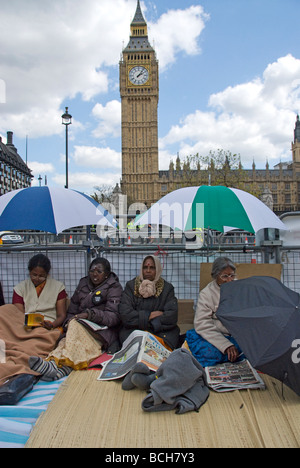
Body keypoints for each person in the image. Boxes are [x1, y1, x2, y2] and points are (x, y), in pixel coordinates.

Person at [29, 258, 123, 380]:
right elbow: (72, 310)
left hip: (102, 331)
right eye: (92, 270)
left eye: (99, 271)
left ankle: (52, 362)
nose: (95, 274)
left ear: (106, 274)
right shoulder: (83, 283)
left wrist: (90, 315)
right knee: (69, 338)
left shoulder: (114, 287)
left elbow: (113, 317)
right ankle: (61, 370)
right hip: (79, 326)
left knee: (72, 331)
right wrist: (68, 322)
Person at [0, 254, 67, 386]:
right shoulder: (20, 288)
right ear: (29, 272)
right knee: (4, 309)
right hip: (22, 325)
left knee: (35, 343)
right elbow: (16, 314)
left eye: (41, 275)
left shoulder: (58, 287)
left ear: (47, 274)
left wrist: (52, 324)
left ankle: (31, 361)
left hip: (46, 327)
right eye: (33, 274)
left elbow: (61, 316)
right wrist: (26, 323)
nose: (37, 278)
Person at [185, 257, 242, 367]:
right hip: (216, 335)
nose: (229, 279)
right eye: (225, 276)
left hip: (238, 335)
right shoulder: (206, 294)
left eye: (232, 275)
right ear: (215, 276)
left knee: (252, 350)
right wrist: (225, 345)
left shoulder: (240, 288)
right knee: (209, 353)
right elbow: (203, 324)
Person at [119, 255, 180, 350]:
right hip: (134, 330)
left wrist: (143, 321)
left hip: (160, 331)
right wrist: (150, 316)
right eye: (145, 267)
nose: (148, 271)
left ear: (158, 269)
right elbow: (125, 314)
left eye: (152, 268)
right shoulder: (131, 286)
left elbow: (171, 316)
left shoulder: (167, 288)